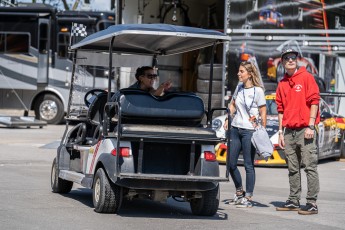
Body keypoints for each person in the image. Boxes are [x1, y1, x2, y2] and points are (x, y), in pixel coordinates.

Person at [275, 48, 320, 215]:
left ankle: (312, 202)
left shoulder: (306, 77)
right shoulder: (282, 84)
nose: (290, 60)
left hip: (304, 129)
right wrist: (280, 132)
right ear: (283, 62)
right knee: (292, 168)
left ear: (297, 59)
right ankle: (294, 200)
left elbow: (314, 101)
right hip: (288, 131)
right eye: (286, 58)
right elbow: (280, 109)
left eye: (293, 57)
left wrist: (310, 125)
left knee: (310, 167)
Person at [223, 61, 267, 208]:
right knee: (231, 163)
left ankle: (248, 197)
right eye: (239, 71)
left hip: (250, 131)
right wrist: (228, 118)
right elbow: (233, 105)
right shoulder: (239, 87)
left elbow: (263, 111)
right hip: (235, 128)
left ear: (250, 74)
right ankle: (239, 191)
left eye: (241, 71)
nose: (238, 74)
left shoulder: (258, 91)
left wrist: (263, 130)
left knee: (248, 164)